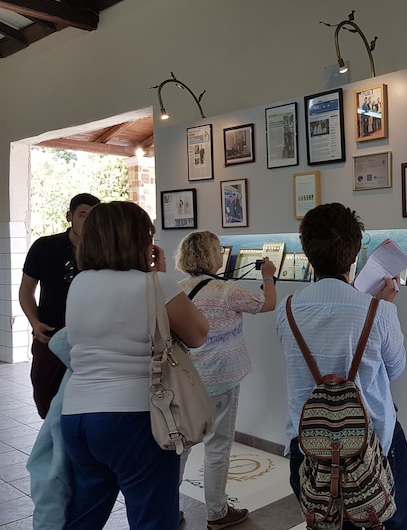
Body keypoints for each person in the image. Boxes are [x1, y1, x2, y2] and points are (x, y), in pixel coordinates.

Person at [60, 201, 209, 530]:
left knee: (85, 514)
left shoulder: (79, 284)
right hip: (136, 418)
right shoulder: (155, 285)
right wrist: (161, 276)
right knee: (152, 518)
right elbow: (198, 334)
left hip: (77, 417)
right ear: (140, 240)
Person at [276, 203, 407, 530]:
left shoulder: (286, 309)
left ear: (308, 252)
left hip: (309, 443)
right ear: (355, 255)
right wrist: (383, 308)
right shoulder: (379, 312)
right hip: (373, 445)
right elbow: (396, 369)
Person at [174, 231, 278, 530]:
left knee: (182, 447)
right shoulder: (226, 290)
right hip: (223, 379)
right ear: (213, 256)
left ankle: (170, 507)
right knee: (217, 448)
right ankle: (217, 513)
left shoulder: (178, 290)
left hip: (187, 382)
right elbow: (267, 303)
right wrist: (268, 276)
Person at [19, 193, 101, 419]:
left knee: (85, 406)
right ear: (69, 216)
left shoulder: (105, 253)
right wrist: (35, 323)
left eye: (94, 216)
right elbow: (27, 289)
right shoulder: (44, 246)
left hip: (91, 340)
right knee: (46, 401)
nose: (88, 221)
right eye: (83, 215)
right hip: (50, 336)